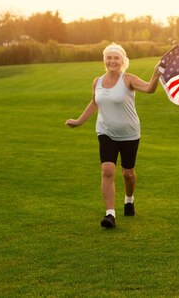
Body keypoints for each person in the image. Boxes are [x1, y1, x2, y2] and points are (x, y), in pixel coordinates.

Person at [65, 43, 162, 229]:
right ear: (105, 60)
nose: (112, 61)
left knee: (128, 173)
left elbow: (150, 89)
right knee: (108, 171)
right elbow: (94, 103)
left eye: (116, 58)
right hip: (105, 131)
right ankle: (110, 215)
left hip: (129, 133)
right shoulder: (98, 81)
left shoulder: (128, 80)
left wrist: (156, 74)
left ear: (123, 61)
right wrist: (79, 121)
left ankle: (129, 200)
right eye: (109, 58)